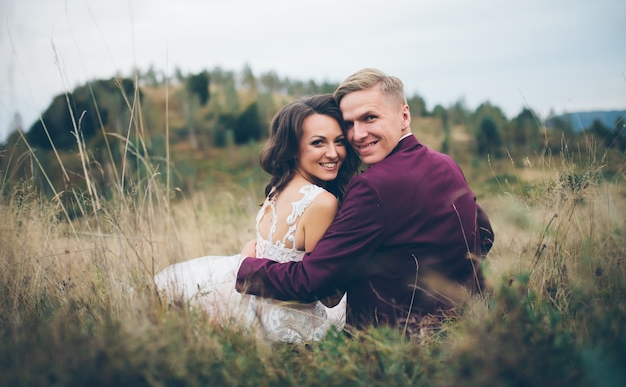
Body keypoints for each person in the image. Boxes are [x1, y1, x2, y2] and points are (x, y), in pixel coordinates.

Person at [236, 68, 494, 334]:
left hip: (388, 343)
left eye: (369, 118)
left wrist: (248, 269)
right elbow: (485, 234)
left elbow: (312, 282)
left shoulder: (372, 186)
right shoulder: (446, 164)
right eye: (349, 124)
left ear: (404, 116)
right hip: (459, 331)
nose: (357, 135)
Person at [154, 94, 360, 343]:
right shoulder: (323, 202)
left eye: (339, 141)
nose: (333, 153)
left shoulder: (278, 188)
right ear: (294, 147)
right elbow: (326, 293)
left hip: (253, 313)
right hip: (295, 327)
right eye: (318, 143)